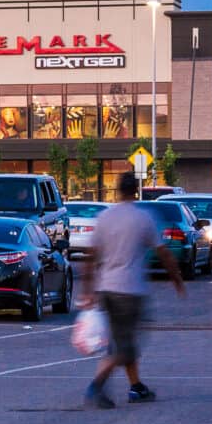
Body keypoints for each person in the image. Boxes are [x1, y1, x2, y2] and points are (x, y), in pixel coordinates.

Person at [79, 171, 186, 408]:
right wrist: (177, 280)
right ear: (135, 192)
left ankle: (136, 387)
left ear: (117, 191)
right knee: (125, 345)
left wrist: (87, 291)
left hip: (106, 289)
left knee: (121, 339)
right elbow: (164, 253)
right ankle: (95, 387)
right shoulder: (143, 218)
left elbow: (90, 256)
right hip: (130, 290)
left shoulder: (105, 217)